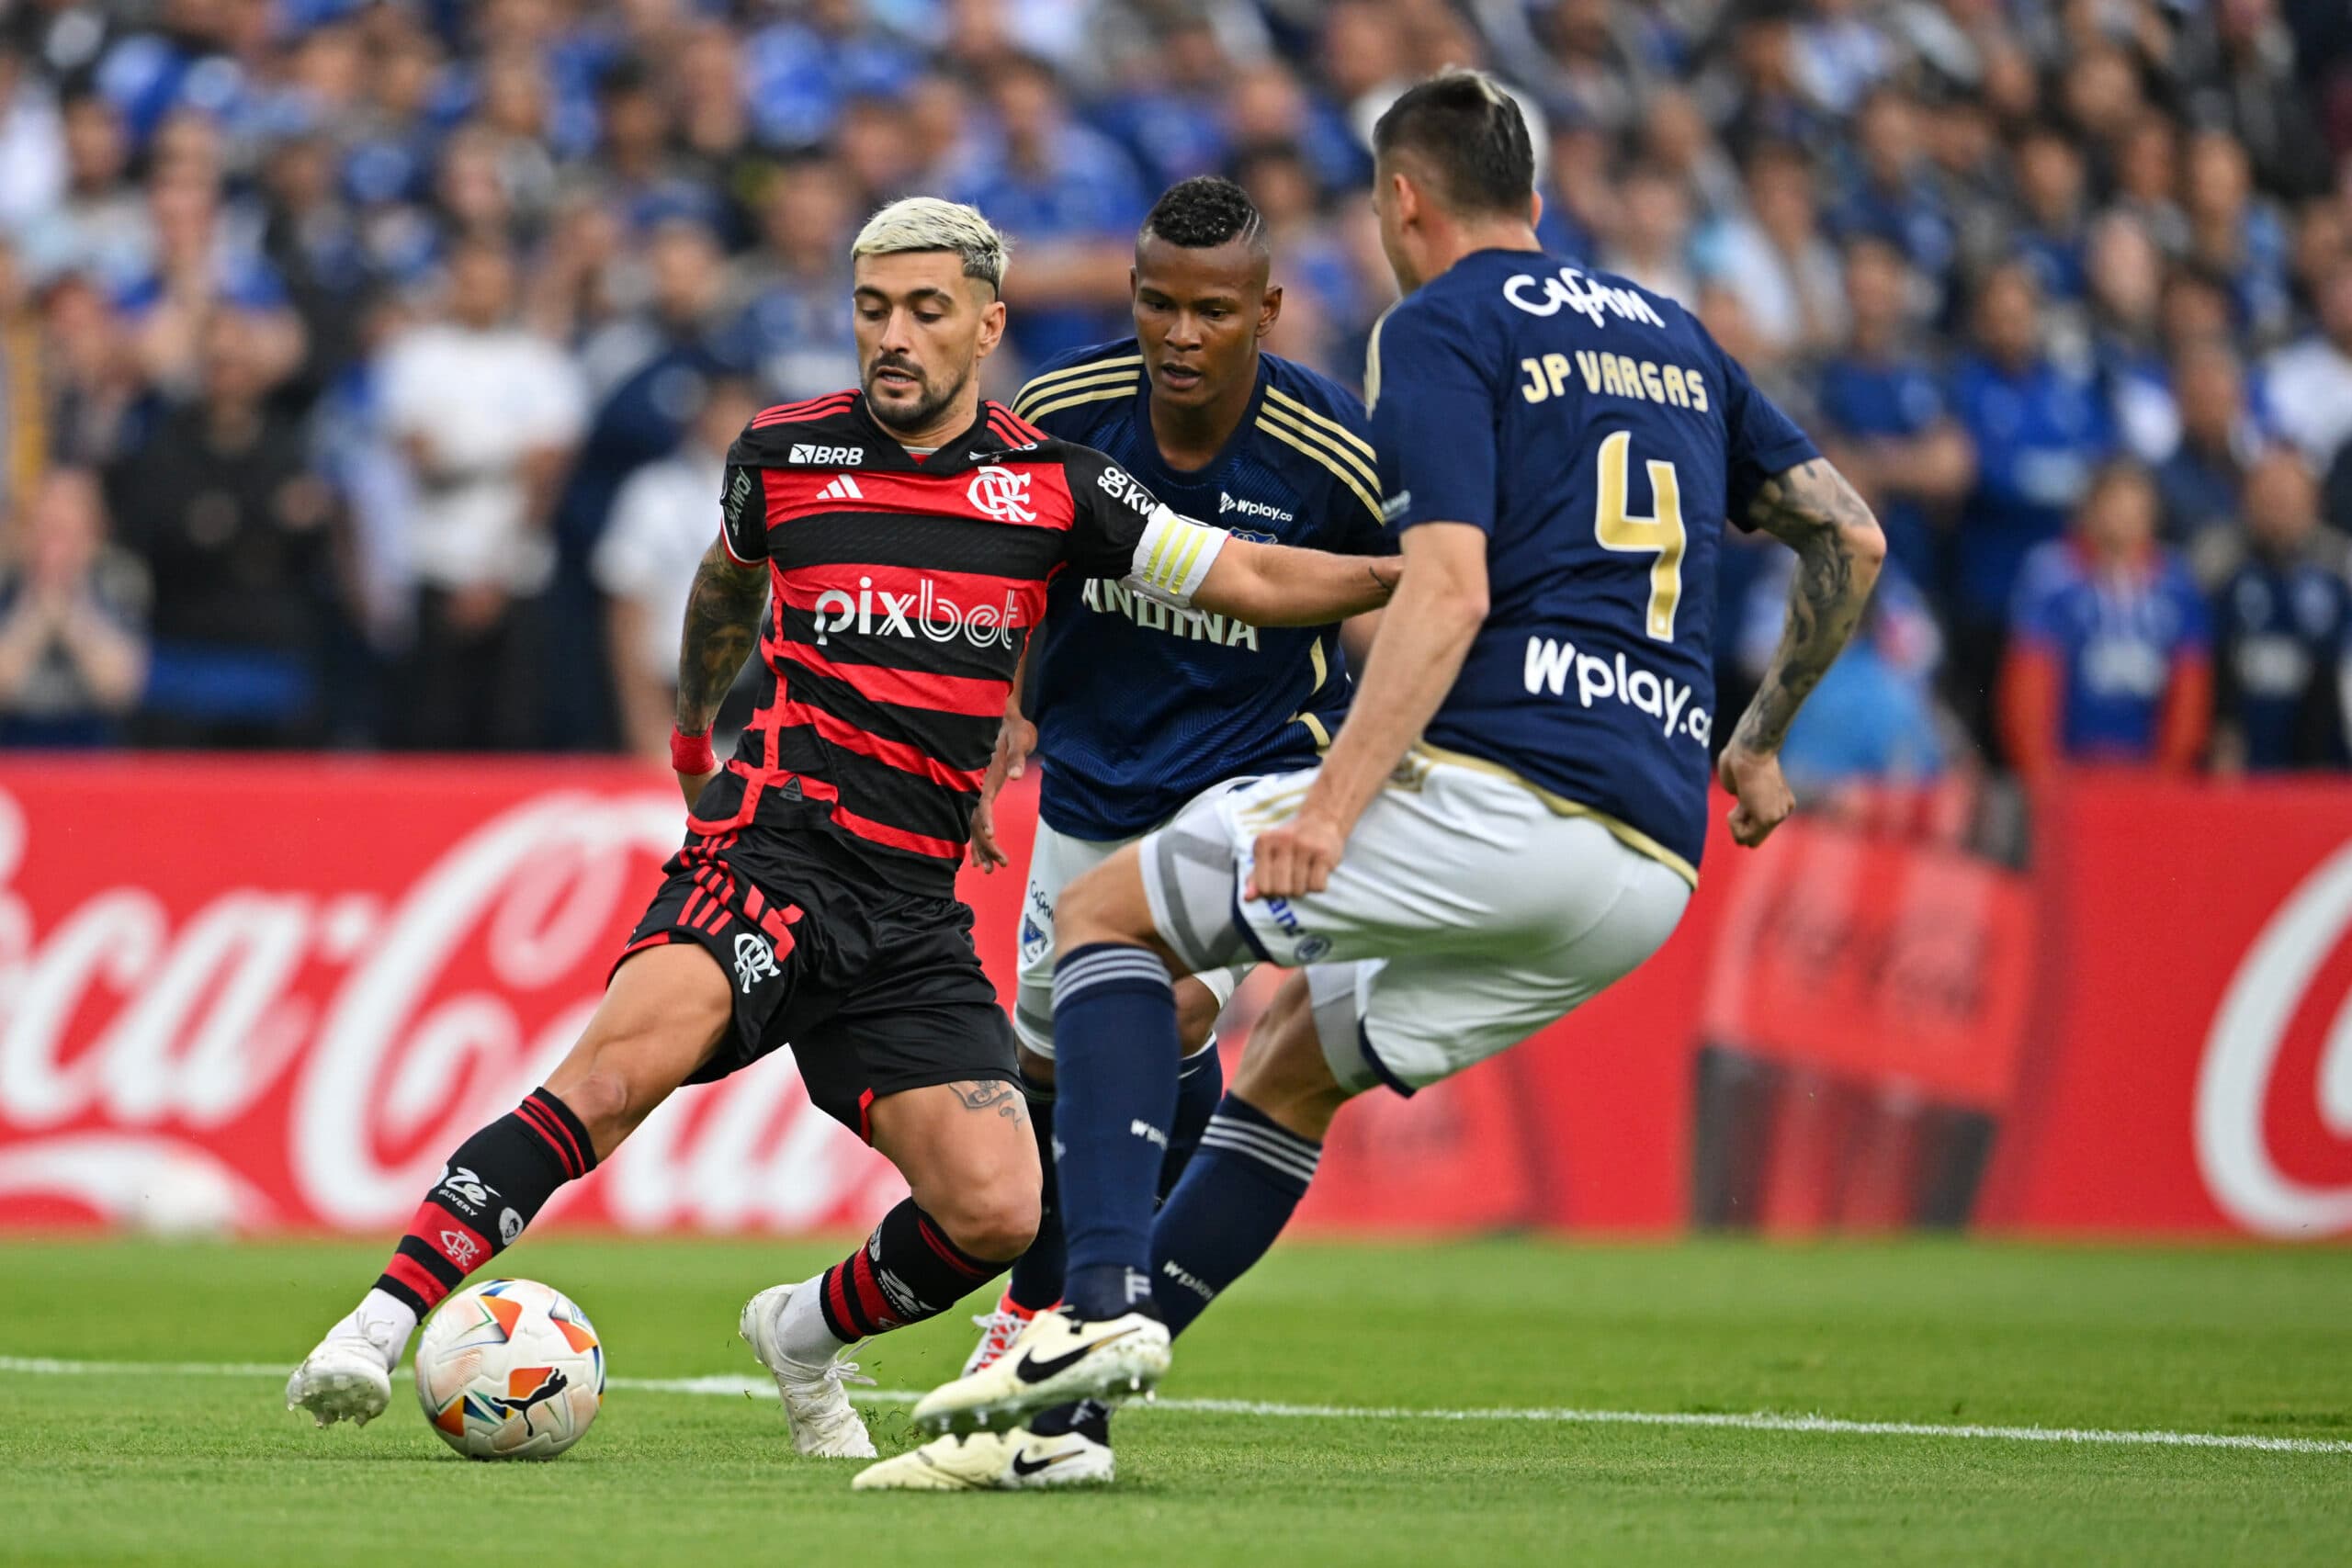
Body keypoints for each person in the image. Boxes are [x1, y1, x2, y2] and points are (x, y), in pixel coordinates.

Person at [283, 197, 1399, 1462]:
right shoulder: (784, 453)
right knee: (608, 1081)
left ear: (987, 325)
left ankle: (802, 1331)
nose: (893, 336)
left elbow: (1248, 573)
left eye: (925, 310)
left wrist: (1414, 577)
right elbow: (725, 583)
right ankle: (374, 1325)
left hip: (911, 913)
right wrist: (693, 738)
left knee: (999, 1206)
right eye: (873, 309)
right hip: (770, 859)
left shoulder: (1056, 485)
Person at [900, 73, 1883, 1453]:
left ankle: (1089, 1304)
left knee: (1108, 920)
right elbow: (1850, 535)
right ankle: (1064, 1425)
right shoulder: (1673, 334)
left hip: (1511, 789)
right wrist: (1760, 738)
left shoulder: (1439, 324)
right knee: (1292, 1064)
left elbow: (1446, 588)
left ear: (1404, 200)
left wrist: (1335, 805)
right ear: (1531, 192)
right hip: (1651, 862)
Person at [854, 175, 1390, 1492]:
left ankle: (1058, 1322)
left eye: (1214, 310)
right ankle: (1064, 1303)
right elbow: (1007, 569)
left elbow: (1413, 590)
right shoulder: (1061, 412)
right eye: (1158, 303)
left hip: (1249, 774)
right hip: (1092, 780)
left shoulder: (1335, 449)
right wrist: (1007, 711)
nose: (1180, 333)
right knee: (1056, 1066)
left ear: (1267, 310)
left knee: (1175, 999)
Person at [1997, 461, 2211, 780]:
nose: (2123, 520)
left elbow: (2190, 690)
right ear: (2090, 509)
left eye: (2134, 510)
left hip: (2148, 776)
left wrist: (2168, 777)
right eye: (2114, 506)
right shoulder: (2050, 579)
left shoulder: (2177, 585)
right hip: (2070, 771)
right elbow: (2030, 685)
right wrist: (2042, 773)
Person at [594, 376, 763, 763]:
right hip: (674, 688)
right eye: (723, 410)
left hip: (755, 694)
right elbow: (626, 612)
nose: (732, 422)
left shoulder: (779, 494)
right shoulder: (655, 493)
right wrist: (644, 718)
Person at [2206, 450, 2350, 773]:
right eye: (2269, 497)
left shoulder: (2340, 570)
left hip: (2324, 763)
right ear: (2247, 500)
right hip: (2240, 760)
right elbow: (2206, 658)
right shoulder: (2218, 567)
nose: (2278, 508)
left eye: (2288, 498)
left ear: (2314, 503)